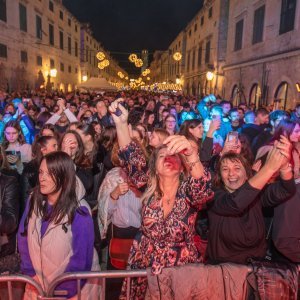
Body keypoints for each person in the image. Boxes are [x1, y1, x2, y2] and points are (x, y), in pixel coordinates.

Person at [109, 99, 214, 299]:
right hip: (145, 266)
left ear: (183, 166)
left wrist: (191, 154)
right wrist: (122, 124)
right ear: (154, 167)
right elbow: (132, 159)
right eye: (161, 156)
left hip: (182, 270)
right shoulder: (148, 188)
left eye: (174, 155)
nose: (167, 158)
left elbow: (204, 190)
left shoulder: (188, 192)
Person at [18, 151, 100, 299]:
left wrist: (61, 291)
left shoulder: (80, 211)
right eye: (41, 172)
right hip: (37, 287)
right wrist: (30, 273)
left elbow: (81, 261)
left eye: (49, 174)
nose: (42, 178)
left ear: (63, 176)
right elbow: (23, 236)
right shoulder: (34, 201)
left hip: (72, 292)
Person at [207, 137, 296, 264]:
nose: (231, 173)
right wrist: (269, 168)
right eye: (225, 169)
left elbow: (286, 190)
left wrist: (284, 166)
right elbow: (235, 203)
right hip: (223, 271)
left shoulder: (257, 194)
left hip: (256, 269)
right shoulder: (214, 196)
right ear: (220, 176)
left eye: (237, 168)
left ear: (247, 174)